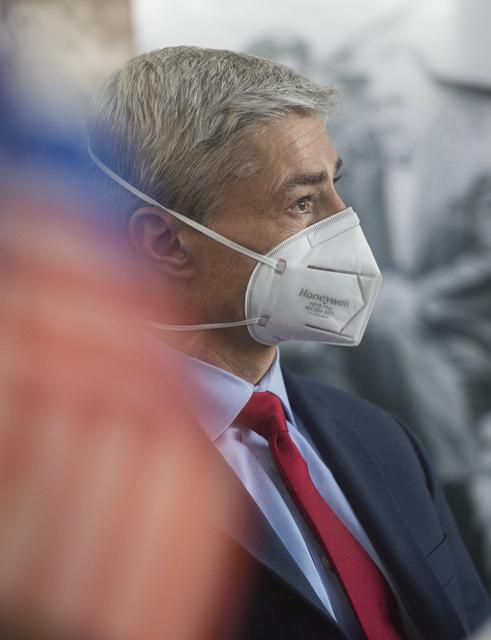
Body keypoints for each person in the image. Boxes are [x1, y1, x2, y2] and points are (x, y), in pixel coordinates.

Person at [88, 46, 491, 640]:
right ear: (166, 243)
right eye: (302, 202)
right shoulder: (76, 493)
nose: (345, 222)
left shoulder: (383, 439)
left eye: (336, 187)